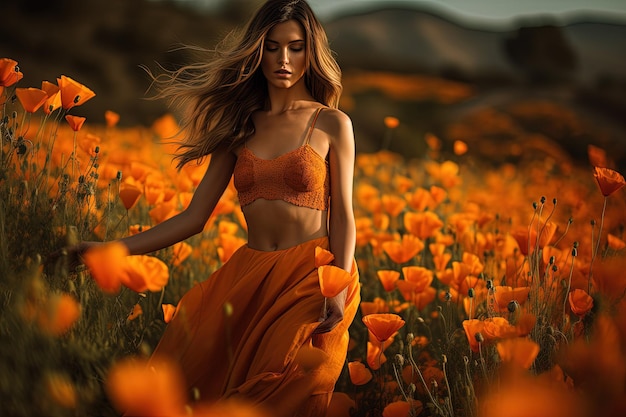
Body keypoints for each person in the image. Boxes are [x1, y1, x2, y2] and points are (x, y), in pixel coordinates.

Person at [69, 1, 359, 416]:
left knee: (287, 387)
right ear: (257, 50)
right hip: (249, 277)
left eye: (296, 48)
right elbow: (193, 218)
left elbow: (344, 214)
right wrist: (112, 249)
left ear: (311, 52)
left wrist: (338, 288)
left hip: (312, 278)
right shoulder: (240, 126)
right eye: (272, 47)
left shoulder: (332, 123)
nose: (283, 60)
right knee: (211, 391)